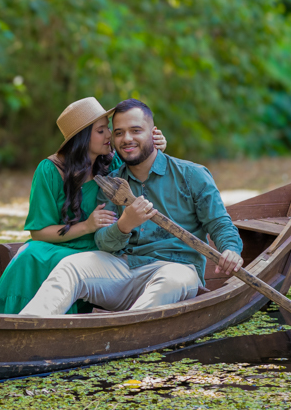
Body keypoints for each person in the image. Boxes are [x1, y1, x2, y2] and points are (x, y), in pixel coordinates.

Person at [17, 98, 243, 316]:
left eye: (136, 130)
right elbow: (102, 241)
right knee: (71, 266)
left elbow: (219, 223)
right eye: (118, 132)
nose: (127, 138)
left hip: (176, 268)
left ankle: (124, 334)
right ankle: (27, 328)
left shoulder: (192, 175)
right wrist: (124, 226)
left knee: (173, 280)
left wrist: (231, 249)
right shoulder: (112, 183)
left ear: (153, 133)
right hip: (124, 267)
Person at [0, 97, 166, 314]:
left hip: (104, 248)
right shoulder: (50, 171)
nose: (109, 135)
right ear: (81, 137)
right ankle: (10, 321)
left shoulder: (113, 162)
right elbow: (39, 232)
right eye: (101, 131)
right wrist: (87, 226)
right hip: (61, 246)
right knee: (29, 255)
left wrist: (158, 149)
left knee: (75, 264)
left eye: (107, 128)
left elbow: (144, 170)